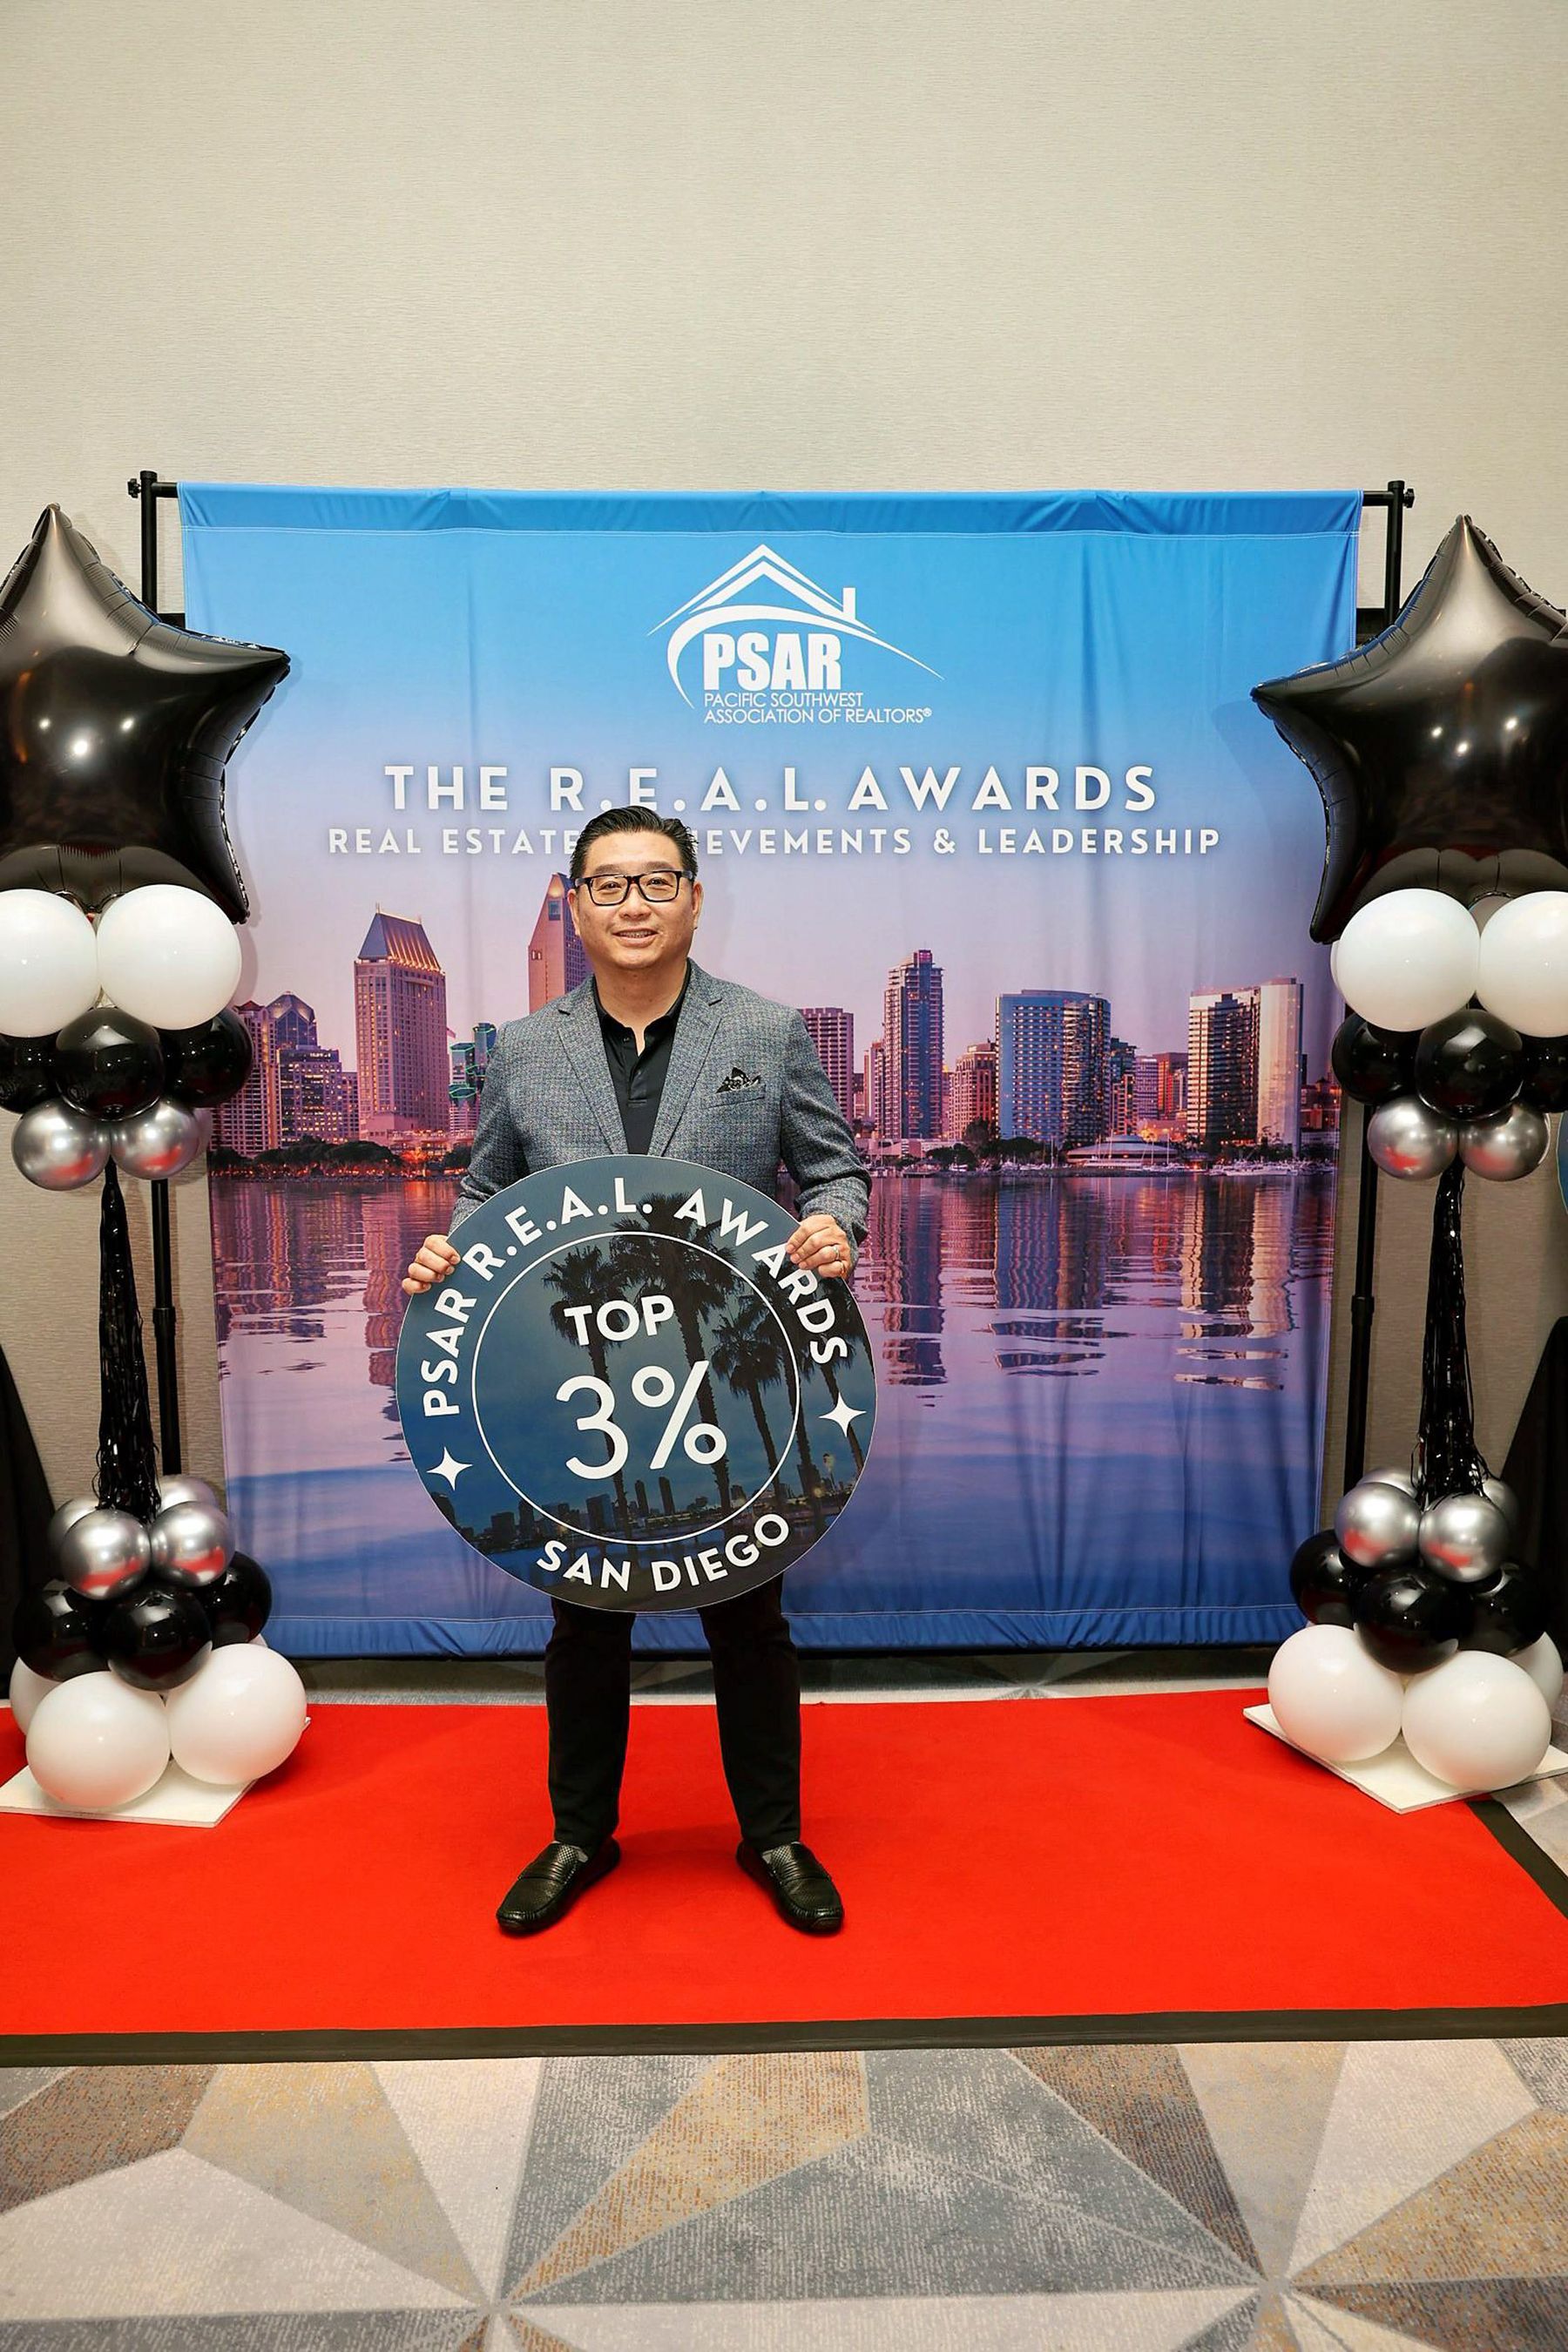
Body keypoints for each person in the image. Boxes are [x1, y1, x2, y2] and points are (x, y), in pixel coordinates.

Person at [402, 808, 869, 1936]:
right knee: (584, 1624)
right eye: (609, 884)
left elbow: (835, 1171)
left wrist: (835, 1227)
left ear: (694, 899)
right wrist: (450, 1254)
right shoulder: (526, 1047)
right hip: (580, 1386)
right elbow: (486, 1189)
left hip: (730, 1386)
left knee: (750, 1621)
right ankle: (579, 1834)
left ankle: (774, 1836)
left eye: (657, 881)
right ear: (576, 905)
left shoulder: (767, 1030)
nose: (634, 904)